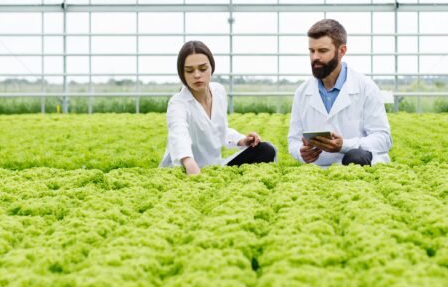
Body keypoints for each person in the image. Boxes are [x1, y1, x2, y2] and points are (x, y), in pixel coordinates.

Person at [160, 40, 276, 174]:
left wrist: (242, 140)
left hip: (214, 167)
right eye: (189, 71)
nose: (197, 75)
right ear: (182, 74)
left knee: (266, 150)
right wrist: (188, 161)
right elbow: (179, 134)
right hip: (185, 168)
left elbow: (220, 130)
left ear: (211, 68)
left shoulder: (219, 92)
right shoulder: (178, 103)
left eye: (203, 69)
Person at [288, 19, 392, 167]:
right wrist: (301, 152)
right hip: (319, 169)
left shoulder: (366, 87)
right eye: (312, 51)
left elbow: (383, 139)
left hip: (359, 169)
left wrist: (344, 145)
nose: (315, 57)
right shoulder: (302, 92)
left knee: (356, 157)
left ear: (341, 51)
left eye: (322, 51)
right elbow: (293, 140)